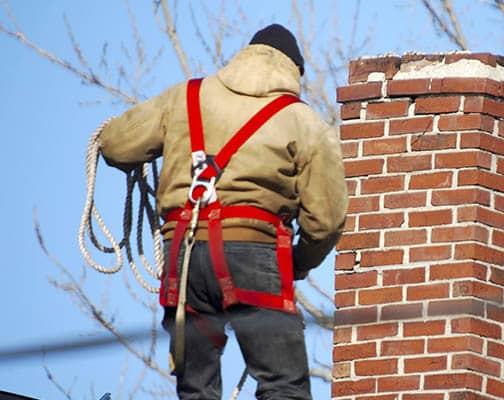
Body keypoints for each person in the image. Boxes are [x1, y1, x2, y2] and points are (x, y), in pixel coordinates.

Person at [98, 24, 348, 400]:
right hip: (254, 253)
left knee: (196, 389)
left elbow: (115, 144)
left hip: (183, 259)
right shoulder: (304, 122)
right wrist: (298, 264)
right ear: (294, 72)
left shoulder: (185, 97)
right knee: (283, 384)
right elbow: (325, 222)